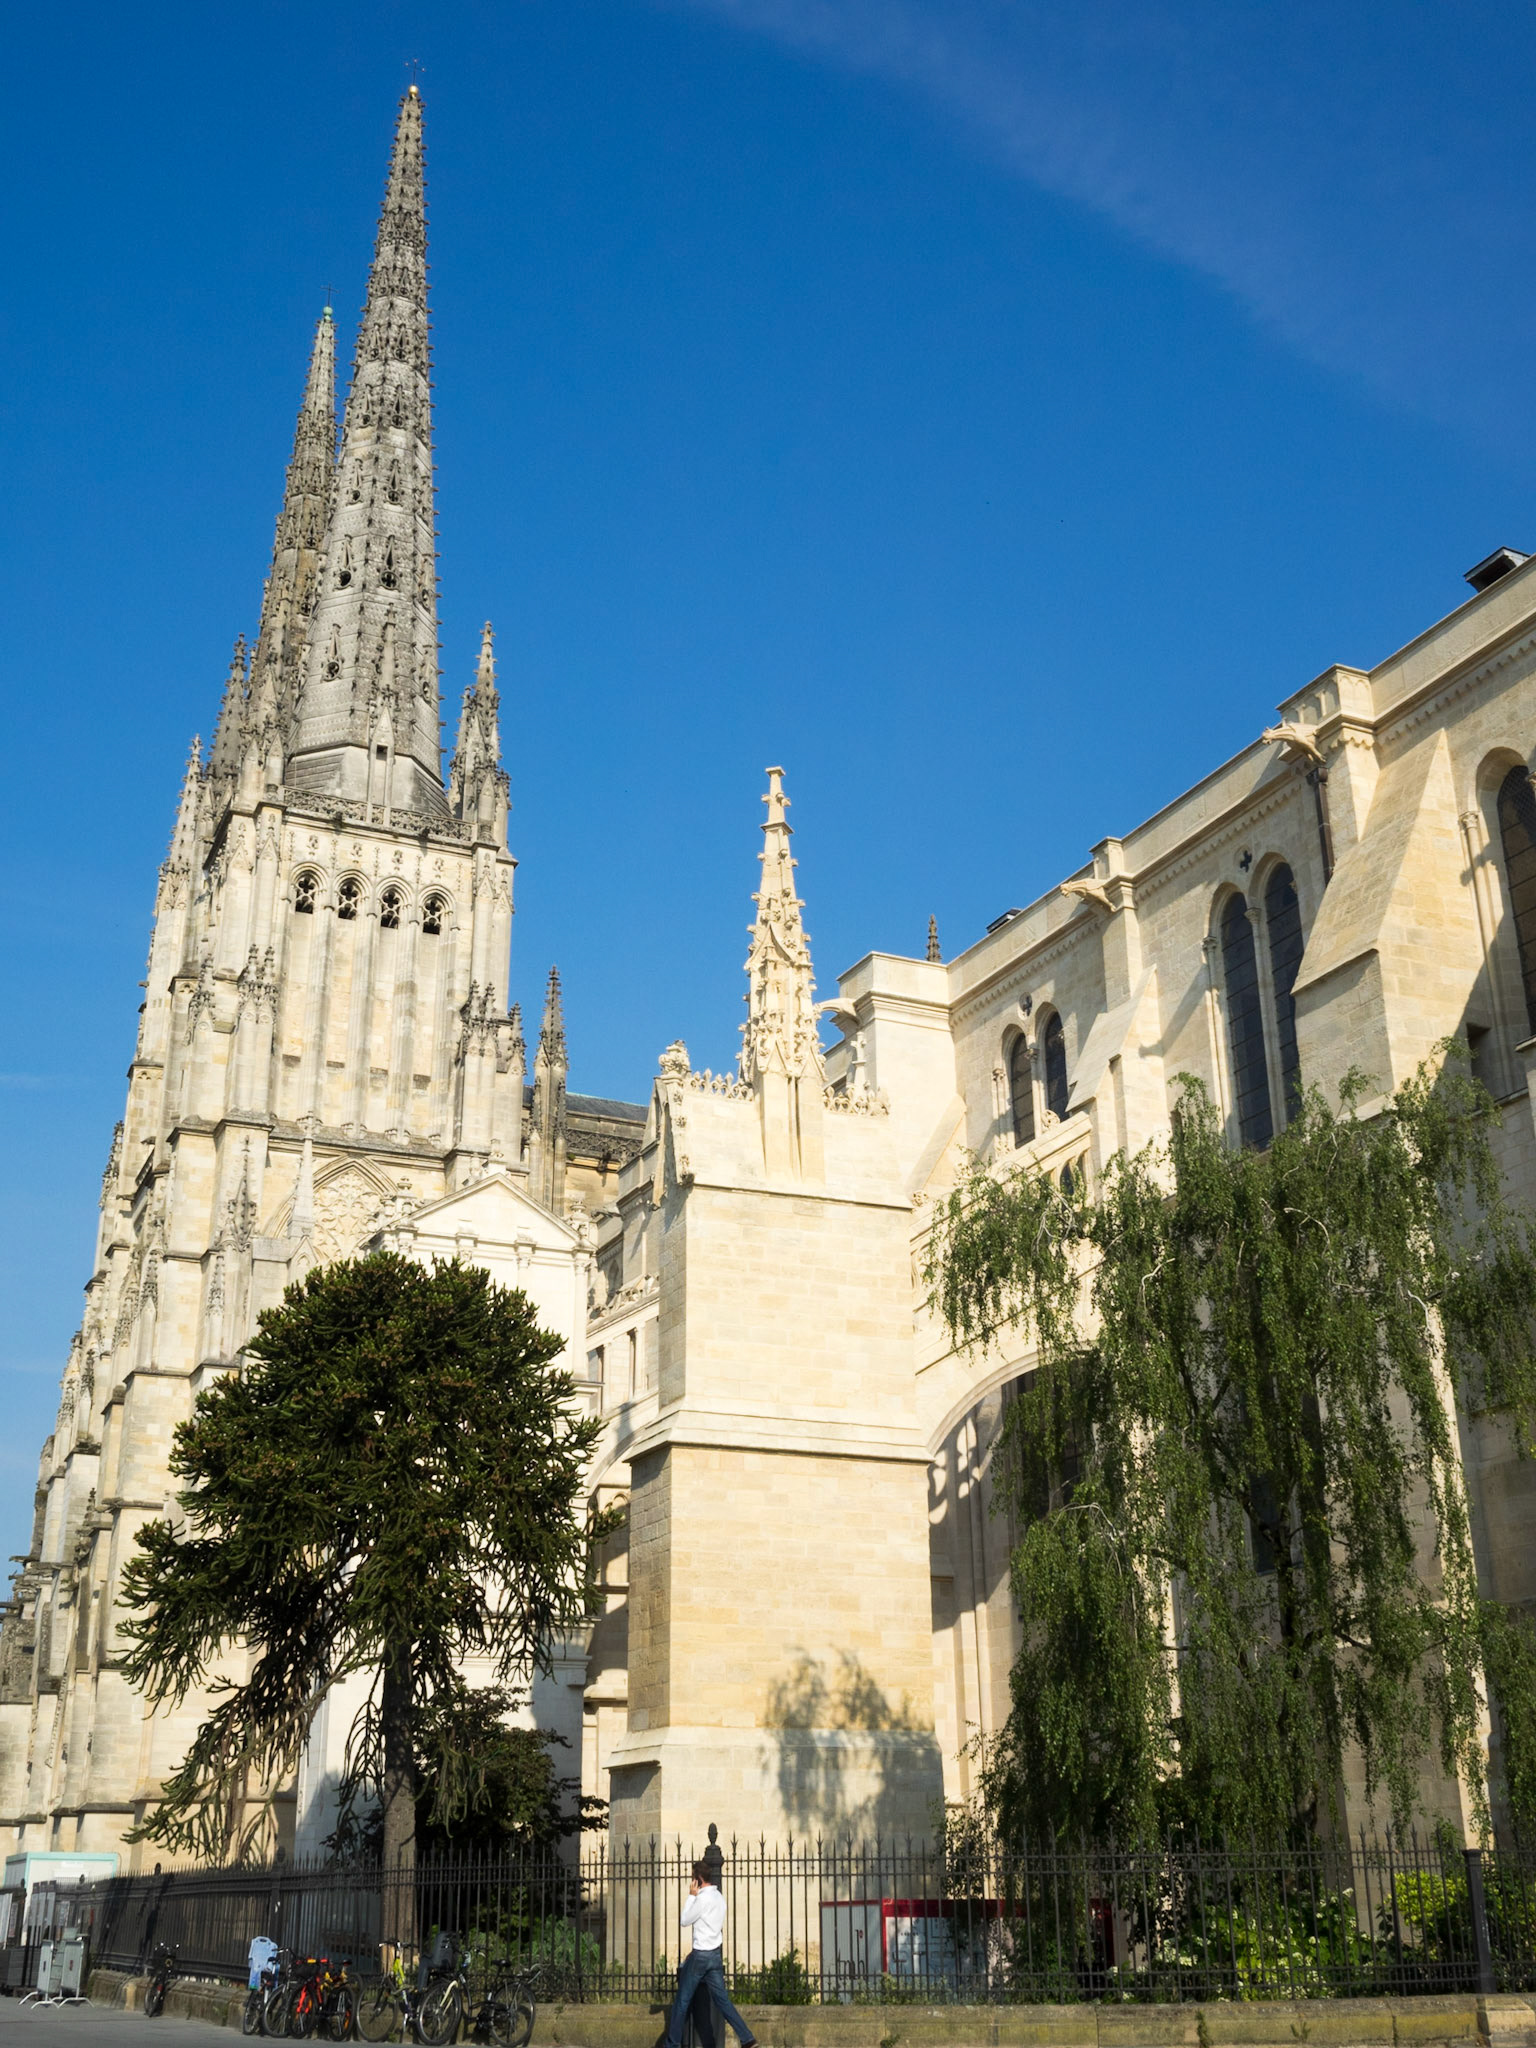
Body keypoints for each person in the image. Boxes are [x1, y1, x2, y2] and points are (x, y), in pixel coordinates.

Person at [661, 1862, 757, 2048]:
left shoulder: (701, 1899)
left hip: (701, 1956)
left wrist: (691, 1896)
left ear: (697, 1879)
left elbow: (684, 1920)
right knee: (723, 2001)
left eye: (692, 1878)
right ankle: (747, 2038)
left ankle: (672, 2044)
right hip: (714, 1956)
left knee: (682, 2000)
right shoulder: (719, 1897)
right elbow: (711, 1926)